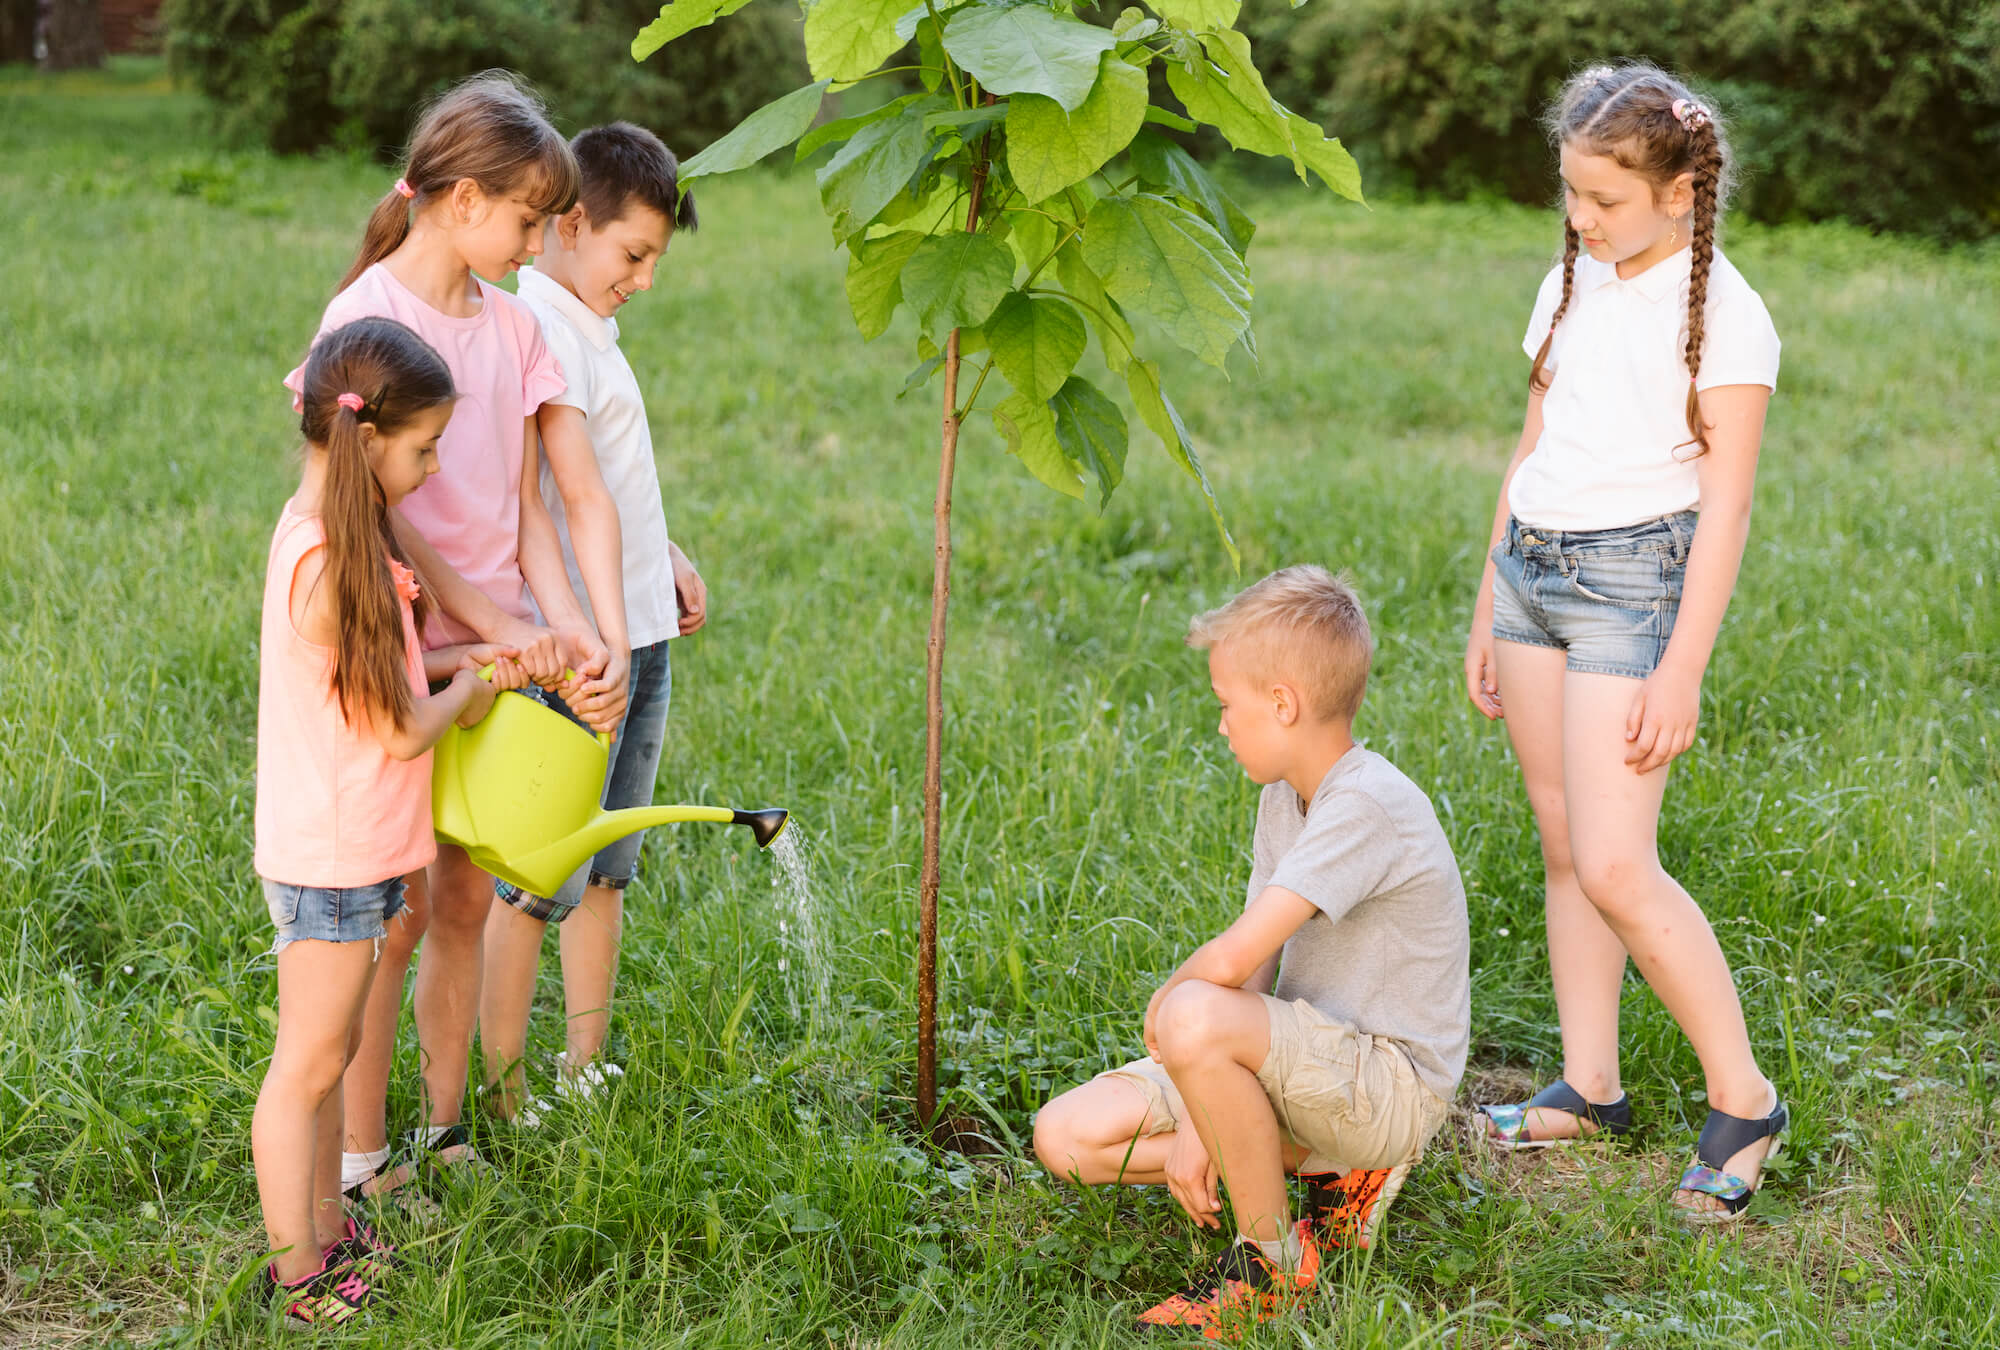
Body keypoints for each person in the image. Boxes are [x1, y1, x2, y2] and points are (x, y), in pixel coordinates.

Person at [283, 71, 633, 1206]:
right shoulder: (367, 315)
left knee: (465, 902)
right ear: (464, 200)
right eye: (530, 219)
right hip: (421, 656)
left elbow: (532, 507)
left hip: (497, 653)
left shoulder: (517, 321)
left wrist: (565, 631)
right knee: (390, 917)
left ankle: (440, 1129)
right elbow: (369, 509)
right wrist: (492, 627)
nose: (539, 243)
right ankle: (361, 1153)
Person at [1461, 64, 1786, 1221]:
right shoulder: (1572, 281)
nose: (1577, 218)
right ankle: (1590, 1086)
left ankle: (1743, 1099)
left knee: (1614, 861)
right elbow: (1532, 439)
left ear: (1682, 189)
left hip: (1629, 589)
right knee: (1561, 843)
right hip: (1533, 577)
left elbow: (1727, 506)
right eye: (1569, 193)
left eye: (1601, 199)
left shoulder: (1727, 317)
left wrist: (1681, 664)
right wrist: (1485, 601)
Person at [1034, 567, 1468, 1337]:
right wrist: (1204, 1118)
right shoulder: (1282, 796)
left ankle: (1268, 1262)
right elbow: (1256, 968)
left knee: (1195, 1013)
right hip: (1297, 1061)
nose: (1222, 726)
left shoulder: (1365, 803)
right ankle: (1313, 1173)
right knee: (1065, 1138)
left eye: (1226, 706)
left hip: (1387, 1083)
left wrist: (1166, 1012)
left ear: (1283, 703)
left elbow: (1230, 967)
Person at [251, 317, 528, 1325]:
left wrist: (473, 665)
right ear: (366, 438)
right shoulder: (332, 567)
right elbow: (405, 728)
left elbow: (400, 678)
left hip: (361, 843)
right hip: (330, 854)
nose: (434, 465)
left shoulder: (347, 535)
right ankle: (299, 1278)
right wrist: (475, 692)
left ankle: (326, 1227)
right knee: (309, 1065)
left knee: (327, 1061)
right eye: (424, 449)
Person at [478, 122, 710, 1121]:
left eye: (656, 258)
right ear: (571, 225)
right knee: (538, 875)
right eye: (633, 254)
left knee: (606, 865)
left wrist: (661, 558)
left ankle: (584, 1063)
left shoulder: (588, 329)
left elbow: (607, 488)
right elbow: (545, 503)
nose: (645, 278)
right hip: (581, 654)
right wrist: (584, 637)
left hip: (640, 635)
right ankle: (500, 1084)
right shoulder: (537, 329)